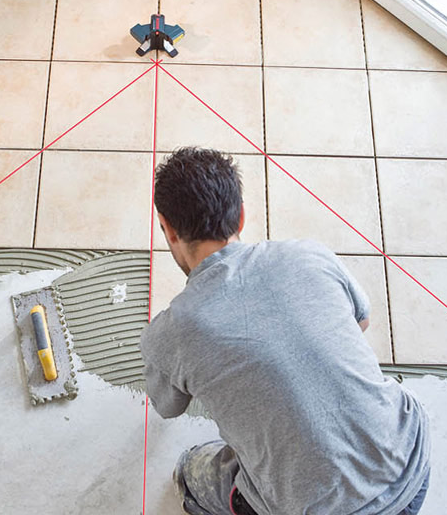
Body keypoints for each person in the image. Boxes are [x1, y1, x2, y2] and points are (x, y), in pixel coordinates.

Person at [140, 147, 431, 515]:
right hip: (411, 467)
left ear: (167, 228)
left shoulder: (172, 332)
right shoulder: (308, 256)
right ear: (241, 215)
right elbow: (361, 321)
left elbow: (167, 406)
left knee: (193, 468)